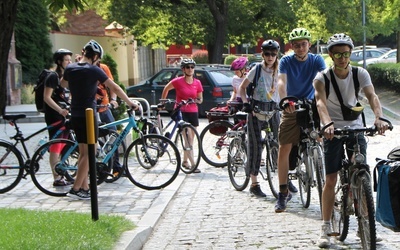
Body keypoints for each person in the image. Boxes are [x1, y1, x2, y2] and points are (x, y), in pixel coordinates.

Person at [314, 33, 389, 248]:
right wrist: (327, 124)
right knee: (331, 179)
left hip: (355, 127)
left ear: (350, 54)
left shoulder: (360, 73)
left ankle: (365, 225)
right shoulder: (322, 78)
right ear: (331, 55)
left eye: (345, 53)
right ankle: (326, 226)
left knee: (361, 170)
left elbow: (372, 96)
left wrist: (379, 117)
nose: (342, 58)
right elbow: (320, 103)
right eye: (337, 54)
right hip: (333, 131)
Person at [61, 40, 139, 199]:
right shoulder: (94, 70)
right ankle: (75, 189)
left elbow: (62, 85)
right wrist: (130, 103)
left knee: (84, 151)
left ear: (83, 52)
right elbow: (114, 87)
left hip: (75, 114)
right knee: (90, 153)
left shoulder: (70, 68)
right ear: (95, 56)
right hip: (88, 115)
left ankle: (85, 187)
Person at [275, 28, 326, 212]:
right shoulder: (286, 61)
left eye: (303, 44)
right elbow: (281, 82)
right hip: (292, 105)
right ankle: (283, 192)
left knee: (325, 137)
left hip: (312, 105)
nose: (300, 48)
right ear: (291, 46)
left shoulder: (317, 60)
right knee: (284, 147)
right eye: (296, 45)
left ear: (309, 45)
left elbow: (324, 78)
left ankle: (328, 183)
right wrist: (285, 100)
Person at [239, 40, 281, 197]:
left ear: (277, 55)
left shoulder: (280, 70)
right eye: (267, 54)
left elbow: (285, 88)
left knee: (280, 143)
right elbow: (242, 88)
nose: (270, 57)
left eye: (273, 54)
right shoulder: (256, 70)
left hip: (273, 110)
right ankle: (254, 183)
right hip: (256, 110)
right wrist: (245, 103)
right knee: (256, 146)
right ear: (263, 55)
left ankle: (284, 178)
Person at [160, 58, 203, 174]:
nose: (190, 69)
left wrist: (197, 101)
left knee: (191, 139)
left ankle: (185, 161)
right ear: (183, 69)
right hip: (181, 111)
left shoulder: (197, 83)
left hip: (193, 111)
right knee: (186, 138)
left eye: (192, 67)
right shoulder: (178, 81)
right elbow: (166, 89)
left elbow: (200, 98)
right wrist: (163, 103)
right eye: (188, 67)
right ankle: (193, 164)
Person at [43, 48, 73, 186]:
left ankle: (61, 174)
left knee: (62, 145)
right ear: (59, 61)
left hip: (64, 115)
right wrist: (60, 110)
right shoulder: (53, 76)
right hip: (54, 115)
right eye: (66, 60)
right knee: (56, 146)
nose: (69, 62)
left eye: (70, 60)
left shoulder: (66, 77)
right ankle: (56, 177)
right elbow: (47, 97)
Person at [95, 61, 123, 178]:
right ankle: (98, 167)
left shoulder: (103, 68)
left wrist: (113, 99)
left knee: (114, 135)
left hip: (105, 108)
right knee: (94, 139)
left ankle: (116, 167)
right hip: (92, 110)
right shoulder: (85, 68)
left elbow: (112, 85)